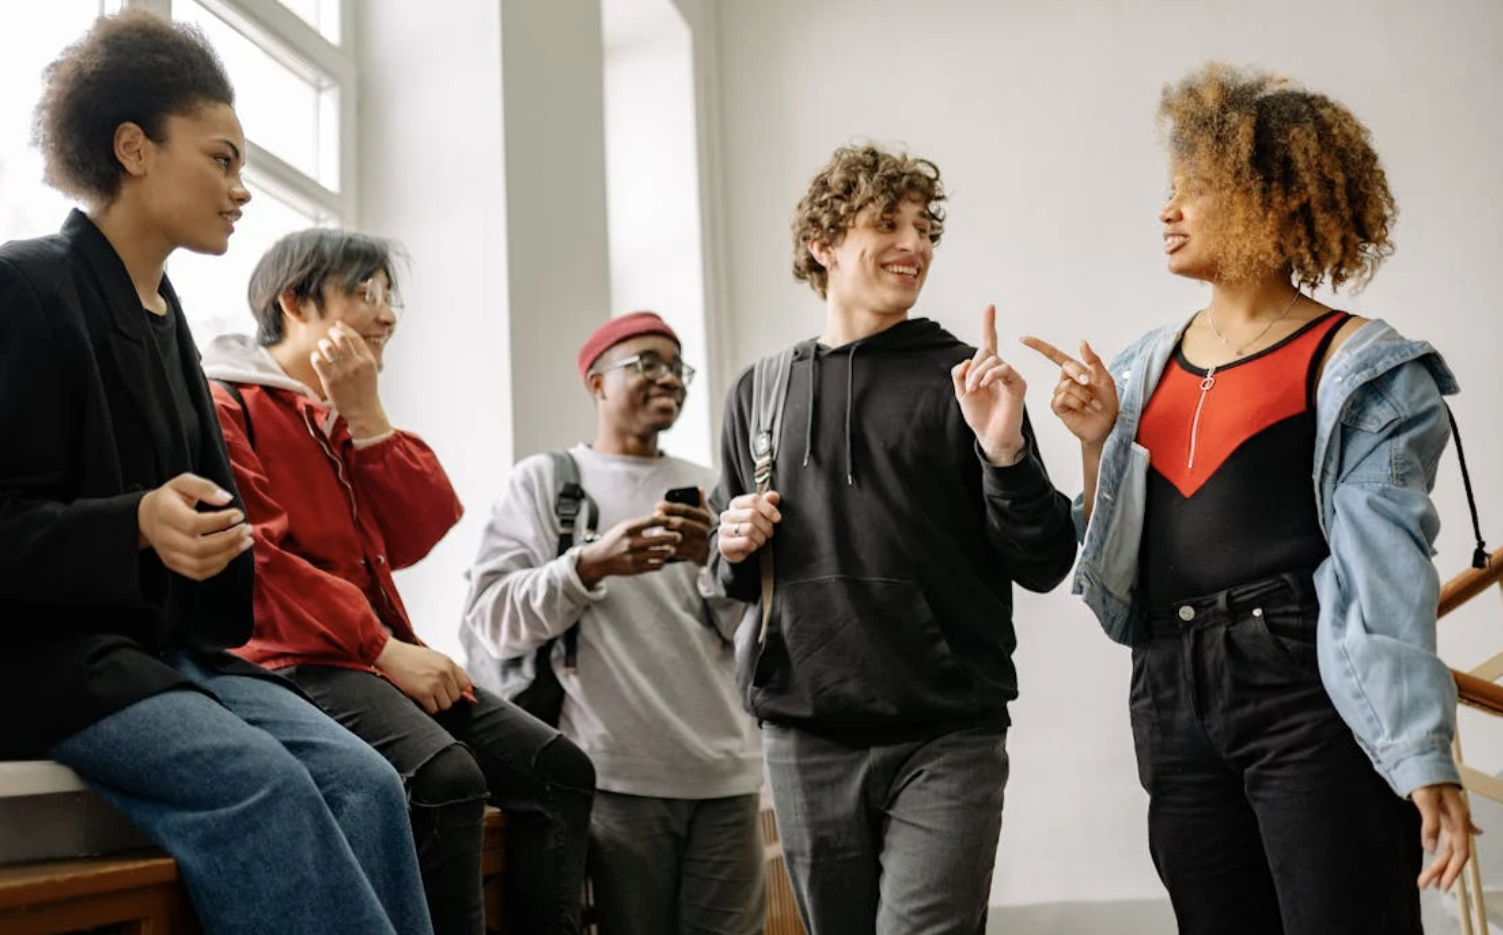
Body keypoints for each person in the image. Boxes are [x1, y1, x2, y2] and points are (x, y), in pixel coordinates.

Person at [0, 12, 432, 935]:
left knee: (367, 780)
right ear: (133, 148)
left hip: (165, 655)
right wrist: (132, 525)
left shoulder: (172, 322)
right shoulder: (25, 286)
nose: (242, 190)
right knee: (263, 785)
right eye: (222, 159)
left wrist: (197, 539)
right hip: (48, 661)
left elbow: (214, 546)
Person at [1024, 62, 1478, 935]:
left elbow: (1387, 572)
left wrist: (1423, 753)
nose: (1166, 210)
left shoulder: (1361, 369)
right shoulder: (1138, 367)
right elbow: (1110, 565)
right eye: (1169, 190)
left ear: (1272, 204)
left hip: (1301, 683)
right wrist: (1092, 444)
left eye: (1194, 191)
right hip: (1166, 684)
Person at [710, 144, 1078, 935]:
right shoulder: (760, 390)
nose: (913, 244)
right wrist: (731, 542)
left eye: (923, 226)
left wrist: (1004, 453)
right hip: (804, 730)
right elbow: (732, 575)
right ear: (823, 242)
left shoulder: (964, 381)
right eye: (887, 222)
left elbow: (1045, 558)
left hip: (946, 733)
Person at [203, 228, 596, 935]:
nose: (387, 315)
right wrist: (381, 649)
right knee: (447, 779)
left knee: (559, 769)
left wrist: (368, 416)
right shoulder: (222, 401)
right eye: (365, 293)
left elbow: (419, 529)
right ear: (295, 301)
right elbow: (252, 560)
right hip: (289, 661)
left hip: (364, 653)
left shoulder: (333, 418)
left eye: (391, 299)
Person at [461, 311, 765, 935]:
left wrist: (713, 566)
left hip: (728, 774)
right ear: (597, 383)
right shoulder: (546, 483)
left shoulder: (713, 488)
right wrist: (588, 567)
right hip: (616, 776)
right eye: (646, 363)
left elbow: (758, 634)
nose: (670, 379)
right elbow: (491, 619)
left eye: (678, 367)